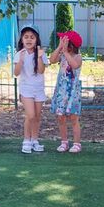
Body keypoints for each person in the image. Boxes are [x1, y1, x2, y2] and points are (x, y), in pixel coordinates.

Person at [14, 24, 49, 154]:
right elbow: (16, 73)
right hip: (26, 90)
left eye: (32, 37)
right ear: (22, 39)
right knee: (30, 115)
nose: (29, 40)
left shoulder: (40, 54)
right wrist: (21, 61)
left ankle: (35, 140)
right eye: (26, 37)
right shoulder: (19, 54)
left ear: (37, 40)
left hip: (39, 89)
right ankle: (26, 140)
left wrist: (39, 56)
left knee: (37, 116)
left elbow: (41, 70)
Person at [50, 30, 83, 153]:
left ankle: (77, 143)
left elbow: (74, 65)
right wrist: (59, 48)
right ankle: (64, 142)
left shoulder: (78, 57)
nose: (63, 44)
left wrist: (65, 51)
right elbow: (52, 60)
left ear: (71, 45)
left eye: (65, 42)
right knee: (60, 117)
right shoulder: (62, 55)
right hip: (61, 91)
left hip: (73, 92)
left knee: (74, 118)